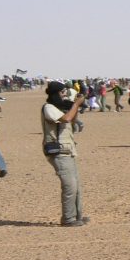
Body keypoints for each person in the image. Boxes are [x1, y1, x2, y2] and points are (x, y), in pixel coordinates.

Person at [42, 81, 87, 227]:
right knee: (69, 185)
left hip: (68, 150)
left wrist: (76, 105)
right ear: (55, 93)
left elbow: (71, 120)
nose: (64, 95)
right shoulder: (48, 108)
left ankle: (77, 216)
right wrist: (75, 105)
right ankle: (68, 218)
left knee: (76, 186)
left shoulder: (58, 107)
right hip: (58, 151)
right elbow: (65, 118)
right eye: (62, 92)